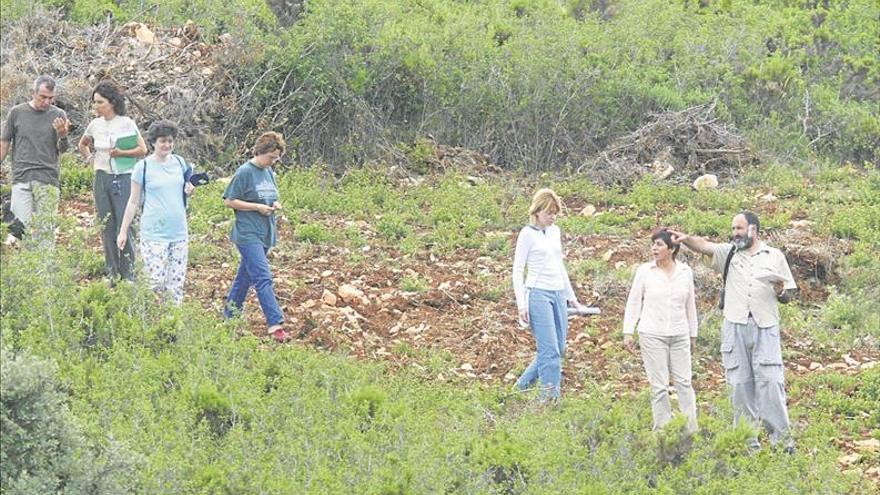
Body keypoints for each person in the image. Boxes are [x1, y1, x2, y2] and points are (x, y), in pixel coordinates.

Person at [670, 212, 797, 452]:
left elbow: (788, 296)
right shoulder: (729, 253)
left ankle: (783, 446)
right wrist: (685, 238)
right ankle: (747, 446)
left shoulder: (774, 256)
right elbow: (704, 247)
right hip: (735, 326)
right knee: (739, 387)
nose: (735, 233)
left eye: (739, 228)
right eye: (733, 228)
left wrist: (780, 291)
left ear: (753, 230)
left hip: (765, 327)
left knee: (770, 385)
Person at [512, 188, 588, 400]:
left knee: (558, 348)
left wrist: (572, 297)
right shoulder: (527, 234)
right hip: (538, 294)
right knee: (549, 351)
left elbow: (559, 266)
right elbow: (518, 270)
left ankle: (520, 388)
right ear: (537, 212)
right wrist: (522, 305)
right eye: (548, 212)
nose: (552, 217)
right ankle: (549, 399)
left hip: (557, 294)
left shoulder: (555, 231)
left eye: (555, 212)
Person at [623, 228, 698, 434]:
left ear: (672, 249)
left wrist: (693, 334)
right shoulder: (645, 271)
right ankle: (662, 433)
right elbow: (634, 302)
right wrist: (628, 331)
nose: (654, 249)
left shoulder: (685, 272)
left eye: (659, 245)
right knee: (659, 386)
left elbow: (690, 304)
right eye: (653, 244)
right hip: (652, 333)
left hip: (679, 333)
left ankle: (690, 430)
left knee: (684, 382)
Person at [117, 120, 193, 304]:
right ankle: (146, 319)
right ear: (153, 143)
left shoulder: (180, 163)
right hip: (154, 233)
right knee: (154, 280)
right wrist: (123, 231)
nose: (167, 145)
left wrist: (190, 190)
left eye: (170, 141)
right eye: (162, 141)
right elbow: (133, 200)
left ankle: (173, 324)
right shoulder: (142, 167)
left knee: (175, 284)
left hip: (178, 232)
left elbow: (185, 191)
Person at [222, 131, 288, 343]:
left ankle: (230, 317)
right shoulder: (245, 172)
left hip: (265, 232)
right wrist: (256, 207)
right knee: (262, 276)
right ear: (261, 152)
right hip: (247, 233)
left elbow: (272, 196)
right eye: (271, 157)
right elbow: (229, 200)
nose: (273, 161)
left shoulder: (269, 173)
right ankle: (275, 323)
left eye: (276, 158)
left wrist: (274, 205)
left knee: (245, 277)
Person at [78, 80, 147, 281]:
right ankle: (112, 272)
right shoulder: (95, 125)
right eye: (94, 102)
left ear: (112, 102)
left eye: (100, 102)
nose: (96, 106)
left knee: (124, 225)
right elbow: (83, 144)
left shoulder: (126, 122)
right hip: (101, 176)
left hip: (124, 177)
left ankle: (129, 274)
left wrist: (121, 152)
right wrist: (90, 159)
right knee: (106, 224)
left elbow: (142, 150)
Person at [0, 75, 70, 247]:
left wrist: (63, 136)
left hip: (47, 179)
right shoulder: (16, 113)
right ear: (33, 93)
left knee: (45, 232)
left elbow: (62, 149)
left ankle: (46, 273)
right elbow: (4, 142)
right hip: (21, 179)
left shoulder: (58, 114)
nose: (46, 102)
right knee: (19, 231)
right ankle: (24, 272)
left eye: (50, 98)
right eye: (43, 97)